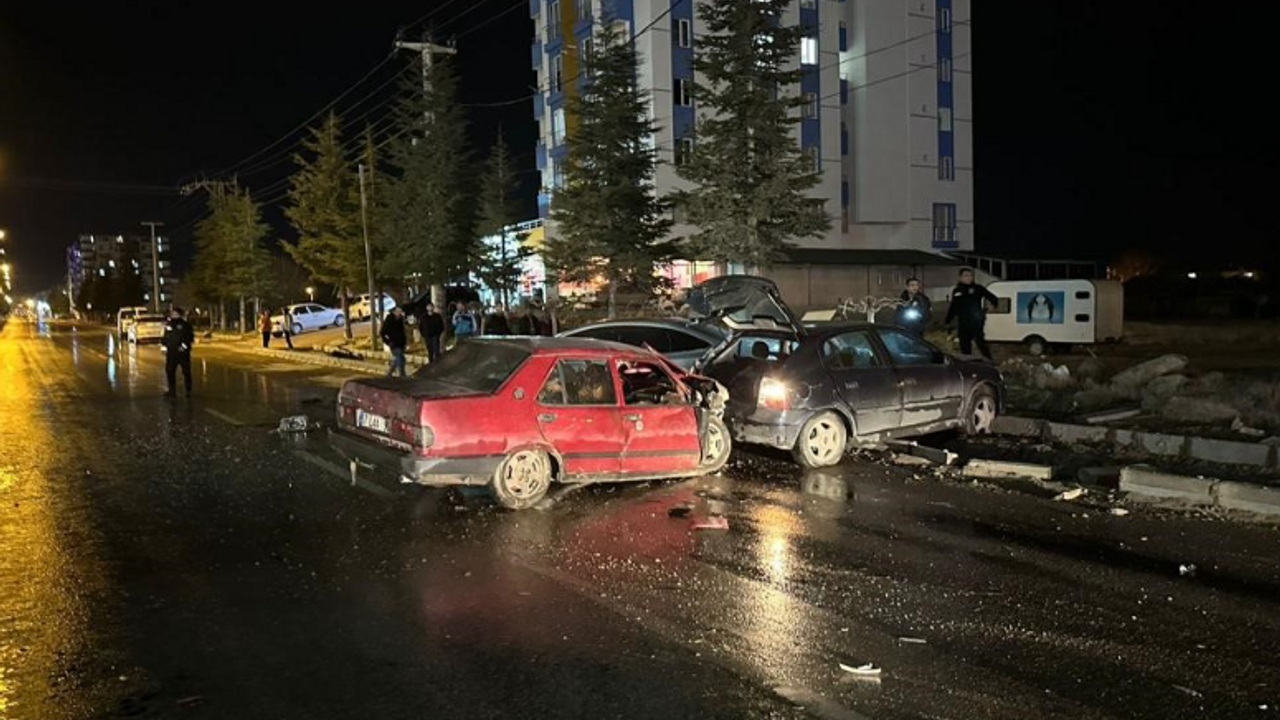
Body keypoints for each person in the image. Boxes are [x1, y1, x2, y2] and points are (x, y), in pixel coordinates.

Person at [945, 268, 998, 359]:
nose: (969, 278)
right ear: (960, 277)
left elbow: (993, 298)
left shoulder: (978, 288)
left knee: (980, 342)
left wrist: (991, 306)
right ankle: (968, 365)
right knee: (964, 344)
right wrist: (947, 320)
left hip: (976, 321)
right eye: (966, 276)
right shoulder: (957, 290)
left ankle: (990, 361)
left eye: (971, 276)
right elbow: (953, 307)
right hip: (963, 322)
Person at [162, 306, 195, 397]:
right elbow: (166, 336)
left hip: (182, 353)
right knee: (170, 371)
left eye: (175, 313)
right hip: (171, 352)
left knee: (186, 371)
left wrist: (183, 347)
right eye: (172, 313)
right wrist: (164, 344)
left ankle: (188, 390)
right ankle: (172, 390)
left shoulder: (186, 325)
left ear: (179, 315)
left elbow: (189, 337)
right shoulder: (169, 325)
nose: (173, 315)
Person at [381, 306, 409, 378]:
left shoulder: (400, 320)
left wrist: (405, 342)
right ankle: (402, 375)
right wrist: (388, 342)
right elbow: (382, 332)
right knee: (400, 359)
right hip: (394, 344)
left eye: (400, 311)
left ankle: (389, 374)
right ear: (394, 311)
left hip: (401, 343)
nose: (399, 313)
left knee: (399, 359)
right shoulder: (389, 320)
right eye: (397, 311)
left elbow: (402, 332)